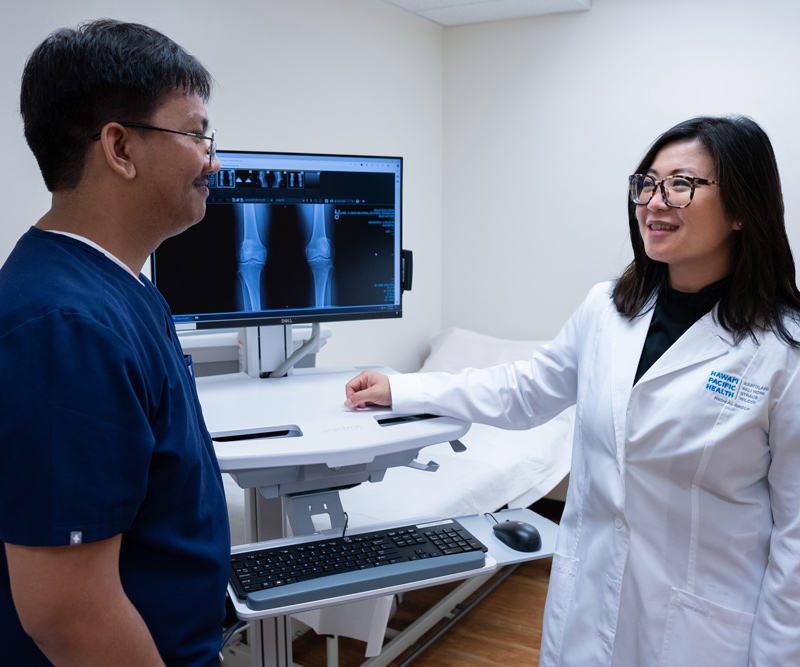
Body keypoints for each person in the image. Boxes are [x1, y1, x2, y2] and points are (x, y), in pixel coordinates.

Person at [345, 116, 800, 666]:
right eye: (646, 183)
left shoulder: (783, 352)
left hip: (706, 631)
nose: (654, 201)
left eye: (681, 184)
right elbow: (525, 390)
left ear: (743, 209)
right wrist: (402, 388)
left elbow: (795, 540)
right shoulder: (608, 310)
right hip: (588, 604)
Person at [0, 20, 229, 667]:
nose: (215, 160)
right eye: (197, 135)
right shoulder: (64, 327)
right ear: (121, 147)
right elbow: (67, 612)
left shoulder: (118, 290)